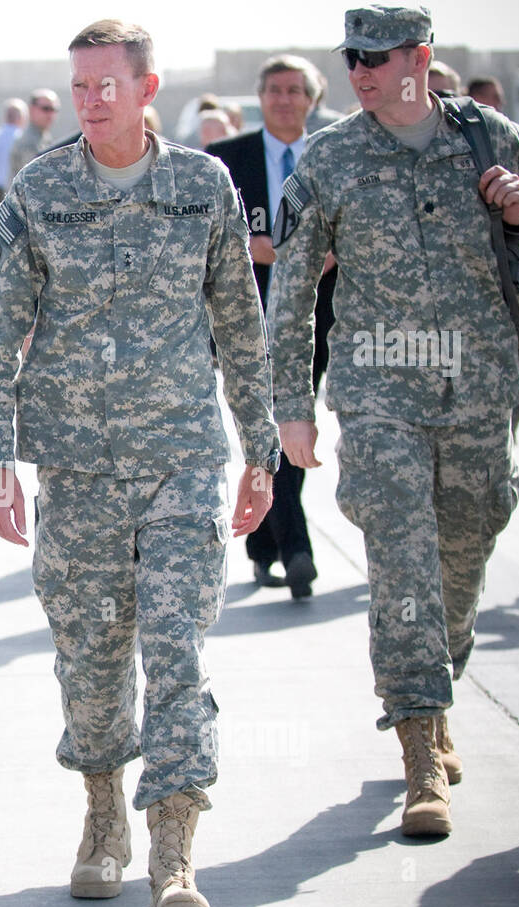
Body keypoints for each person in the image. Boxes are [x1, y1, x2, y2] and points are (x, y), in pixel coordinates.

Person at [0, 19, 278, 907]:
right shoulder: (40, 190)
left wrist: (259, 445)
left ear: (148, 88)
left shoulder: (203, 185)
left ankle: (175, 852)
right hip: (75, 466)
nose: (90, 100)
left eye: (107, 84)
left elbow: (241, 326)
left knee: (177, 645)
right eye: (79, 85)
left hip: (183, 456)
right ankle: (103, 812)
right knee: (93, 659)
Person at [267, 5, 519, 838]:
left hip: (479, 381)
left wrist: (518, 210)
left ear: (418, 57)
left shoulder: (486, 135)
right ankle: (418, 748)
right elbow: (291, 291)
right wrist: (291, 407)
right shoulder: (329, 156)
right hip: (377, 388)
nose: (358, 71)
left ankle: (443, 682)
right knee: (401, 556)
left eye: (373, 55)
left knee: (463, 551)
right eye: (349, 57)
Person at [208, 55, 338, 599]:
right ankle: (296, 547)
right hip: (248, 315)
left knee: (293, 422)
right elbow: (207, 238)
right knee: (269, 421)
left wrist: (332, 249)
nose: (283, 99)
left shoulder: (335, 155)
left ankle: (264, 545)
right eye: (273, 90)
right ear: (259, 99)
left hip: (322, 313)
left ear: (312, 98)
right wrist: (248, 248)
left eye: (294, 90)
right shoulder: (226, 159)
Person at [8, 89, 60, 184]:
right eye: (46, 109)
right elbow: (34, 180)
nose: (50, 114)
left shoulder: (45, 138)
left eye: (54, 110)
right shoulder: (27, 141)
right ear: (31, 110)